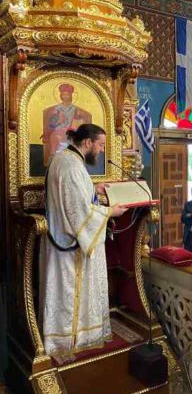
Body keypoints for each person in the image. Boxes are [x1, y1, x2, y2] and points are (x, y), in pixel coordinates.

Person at [40, 124, 128, 359]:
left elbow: (74, 196)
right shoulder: (72, 166)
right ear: (87, 142)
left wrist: (93, 187)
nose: (101, 150)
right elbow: (79, 212)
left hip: (61, 240)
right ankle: (73, 339)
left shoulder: (64, 159)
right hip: (71, 248)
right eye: (100, 145)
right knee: (71, 293)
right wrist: (110, 212)